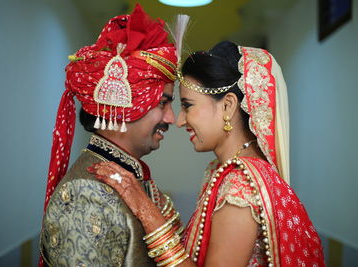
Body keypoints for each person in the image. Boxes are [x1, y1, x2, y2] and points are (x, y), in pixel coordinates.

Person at [89, 41, 325, 266]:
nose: (179, 121)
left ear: (227, 105)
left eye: (188, 105)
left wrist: (148, 213)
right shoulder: (223, 170)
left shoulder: (240, 188)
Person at [39, 4, 184, 266]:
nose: (171, 119)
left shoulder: (129, 176)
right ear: (124, 104)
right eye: (163, 103)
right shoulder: (85, 193)